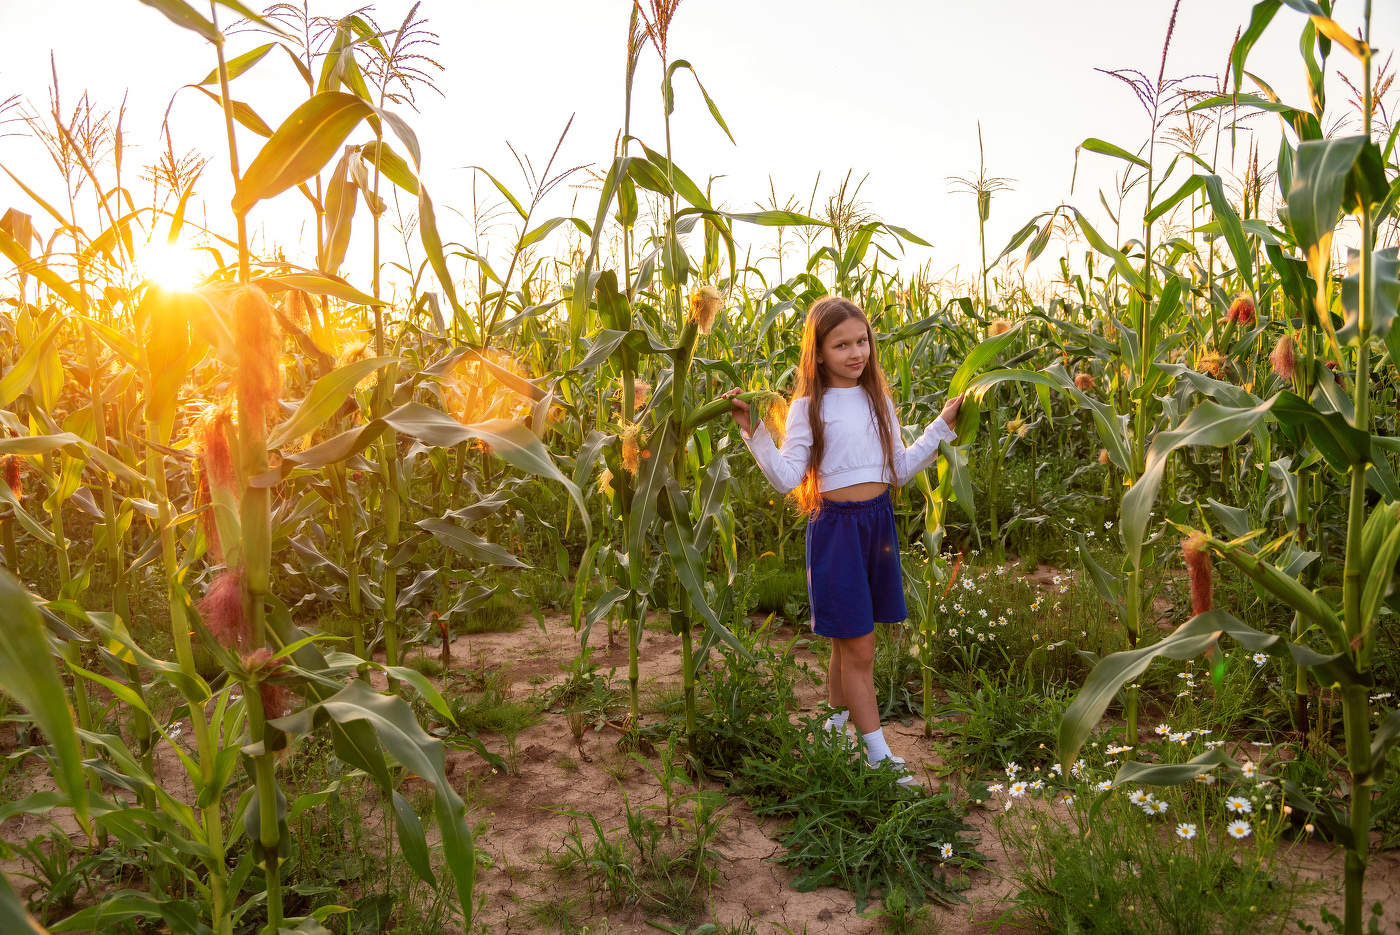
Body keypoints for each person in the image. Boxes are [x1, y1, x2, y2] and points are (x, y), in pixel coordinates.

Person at [725, 296, 963, 786]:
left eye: (862, 341)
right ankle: (878, 756)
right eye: (841, 345)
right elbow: (787, 477)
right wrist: (755, 435)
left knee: (845, 642)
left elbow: (898, 468)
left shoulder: (879, 400)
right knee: (861, 648)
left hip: (877, 525)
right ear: (818, 352)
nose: (856, 353)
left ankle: (833, 733)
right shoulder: (808, 408)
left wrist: (940, 426)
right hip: (836, 530)